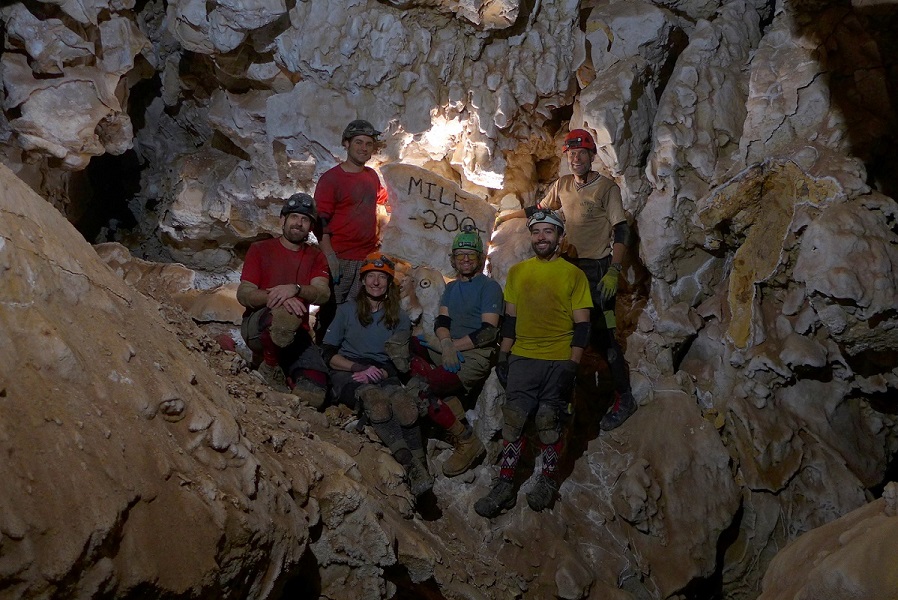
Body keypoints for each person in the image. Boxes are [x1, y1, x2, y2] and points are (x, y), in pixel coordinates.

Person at [494, 128, 637, 431]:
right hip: (569, 269)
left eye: (581, 153)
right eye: (571, 154)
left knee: (604, 337)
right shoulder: (562, 185)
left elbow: (621, 230)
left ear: (591, 156)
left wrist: (614, 270)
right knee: (565, 334)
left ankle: (624, 397)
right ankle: (560, 398)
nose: (575, 159)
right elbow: (542, 210)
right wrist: (509, 216)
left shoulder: (606, 189)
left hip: (597, 272)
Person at [474, 210, 592, 518]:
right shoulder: (518, 272)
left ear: (559, 237)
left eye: (548, 232)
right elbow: (510, 321)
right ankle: (505, 484)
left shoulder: (573, 274)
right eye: (536, 232)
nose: (541, 237)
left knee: (549, 422)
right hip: (523, 357)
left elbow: (582, 326)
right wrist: (504, 354)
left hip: (557, 358)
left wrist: (572, 365)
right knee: (513, 421)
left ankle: (547, 480)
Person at [321, 252, 433, 497]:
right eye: (371, 276)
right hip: (349, 371)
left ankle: (422, 469)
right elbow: (328, 352)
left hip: (383, 371)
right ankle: (410, 464)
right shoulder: (346, 310)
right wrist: (357, 368)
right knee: (378, 404)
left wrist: (381, 372)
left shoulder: (400, 318)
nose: (375, 282)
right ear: (362, 281)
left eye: (381, 277)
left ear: (388, 283)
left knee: (406, 406)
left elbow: (399, 359)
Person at [409, 225, 502, 477]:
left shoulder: (489, 287)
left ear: (480, 258)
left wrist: (452, 346)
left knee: (422, 389)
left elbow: (488, 332)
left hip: (475, 353)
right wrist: (445, 344)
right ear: (453, 259)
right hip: (450, 347)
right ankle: (450, 405)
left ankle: (468, 440)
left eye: (470, 255)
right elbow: (442, 322)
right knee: (410, 346)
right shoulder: (451, 288)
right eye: (460, 254)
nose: (465, 259)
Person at [237, 193, 331, 407]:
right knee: (285, 315)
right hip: (260, 327)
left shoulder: (316, 256)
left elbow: (322, 293)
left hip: (297, 333)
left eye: (305, 219)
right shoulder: (260, 249)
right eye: (294, 217)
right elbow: (244, 294)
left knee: (314, 392)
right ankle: (269, 367)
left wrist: (295, 289)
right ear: (282, 220)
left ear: (310, 227)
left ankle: (285, 378)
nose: (299, 223)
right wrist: (277, 296)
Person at [314, 119, 389, 344]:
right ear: (346, 144)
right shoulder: (331, 179)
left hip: (365, 258)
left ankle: (349, 356)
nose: (363, 148)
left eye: (368, 144)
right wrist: (329, 256)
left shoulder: (371, 176)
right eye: (358, 142)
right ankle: (324, 354)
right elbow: (321, 221)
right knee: (332, 311)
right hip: (341, 256)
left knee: (358, 312)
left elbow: (383, 199)